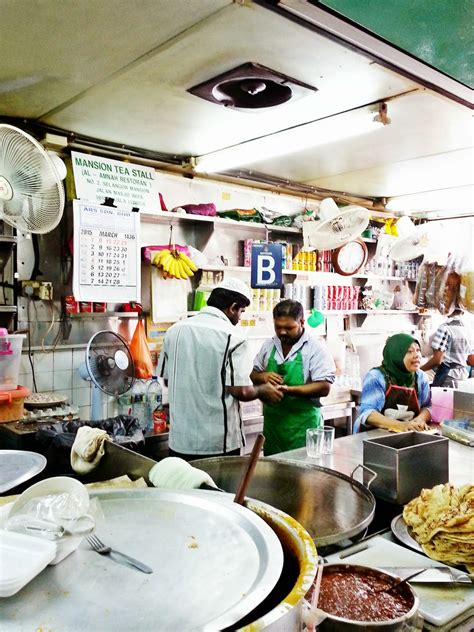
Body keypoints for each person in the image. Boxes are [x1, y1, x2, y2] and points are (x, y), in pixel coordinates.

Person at [157, 278, 284, 460]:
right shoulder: (234, 336)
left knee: (185, 488)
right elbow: (240, 391)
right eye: (241, 311)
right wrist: (262, 390)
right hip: (216, 445)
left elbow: (168, 380)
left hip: (180, 442)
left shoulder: (175, 330)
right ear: (232, 307)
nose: (240, 317)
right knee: (219, 489)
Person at [250, 299, 335, 456]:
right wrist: (263, 376)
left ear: (302, 322)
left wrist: (288, 389)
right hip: (273, 429)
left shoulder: (315, 349)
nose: (282, 332)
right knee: (274, 475)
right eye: (278, 327)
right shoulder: (269, 345)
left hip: (303, 429)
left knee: (303, 477)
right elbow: (253, 374)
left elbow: (324, 387)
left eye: (289, 328)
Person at [354, 333, 431, 433]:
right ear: (396, 355)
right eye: (410, 351)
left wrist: (420, 419)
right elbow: (368, 413)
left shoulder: (421, 377)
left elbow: (427, 407)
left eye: (418, 350)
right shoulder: (376, 377)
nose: (417, 355)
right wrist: (400, 425)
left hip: (406, 434)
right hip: (373, 436)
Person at [420, 308, 474, 387]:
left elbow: (437, 360)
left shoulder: (445, 327)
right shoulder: (469, 330)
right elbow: (471, 360)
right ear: (463, 311)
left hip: (447, 377)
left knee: (440, 399)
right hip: (462, 377)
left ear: (447, 310)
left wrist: (419, 371)